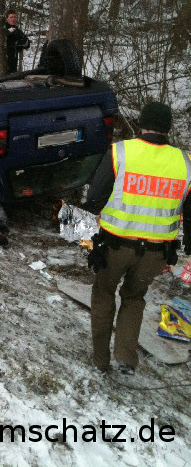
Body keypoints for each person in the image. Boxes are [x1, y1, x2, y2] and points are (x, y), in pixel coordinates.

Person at [83, 101, 191, 374]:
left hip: (115, 247)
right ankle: (125, 357)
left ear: (141, 123)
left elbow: (94, 197)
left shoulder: (120, 152)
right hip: (156, 253)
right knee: (134, 298)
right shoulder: (185, 162)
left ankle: (100, 360)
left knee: (103, 294)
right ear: (168, 128)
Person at [0, 9, 30, 74]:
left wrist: (22, 39)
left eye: (14, 17)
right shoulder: (1, 30)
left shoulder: (17, 31)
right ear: (6, 19)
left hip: (13, 64)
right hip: (0, 65)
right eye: (11, 17)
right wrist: (8, 33)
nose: (13, 19)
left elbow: (27, 45)